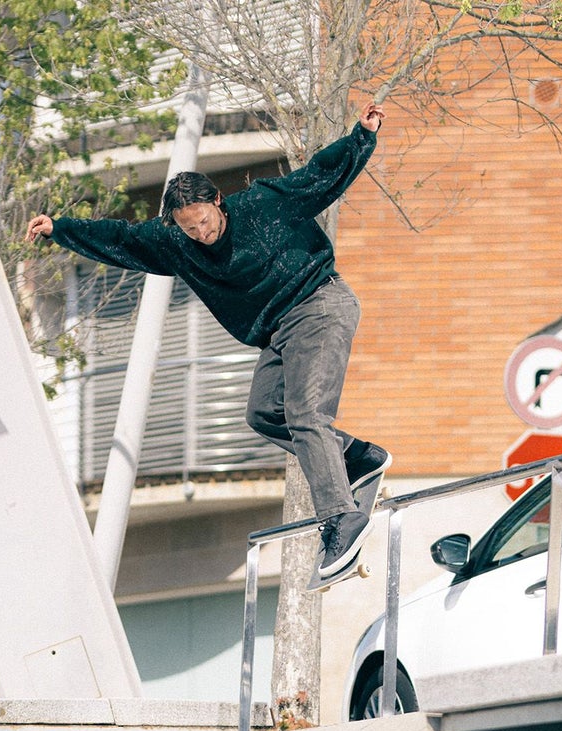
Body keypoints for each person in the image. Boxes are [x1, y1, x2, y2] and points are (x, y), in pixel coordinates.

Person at [28, 105, 390, 590]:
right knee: (264, 413)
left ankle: (342, 519)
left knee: (306, 414)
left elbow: (319, 177)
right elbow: (120, 238)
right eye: (190, 228)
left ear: (218, 201)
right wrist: (61, 230)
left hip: (319, 304)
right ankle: (358, 458)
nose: (201, 234)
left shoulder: (261, 205)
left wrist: (361, 136)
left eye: (204, 221)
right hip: (278, 331)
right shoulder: (176, 241)